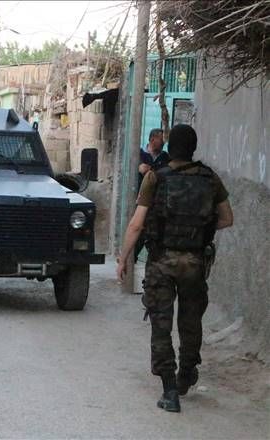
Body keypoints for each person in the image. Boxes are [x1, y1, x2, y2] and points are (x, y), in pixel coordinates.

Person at [117, 124, 234, 413]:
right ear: (193, 148)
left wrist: (123, 258)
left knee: (161, 324)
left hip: (161, 263)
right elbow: (227, 219)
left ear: (170, 148)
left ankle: (170, 391)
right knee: (191, 322)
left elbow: (137, 224)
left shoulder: (156, 177)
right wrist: (200, 228)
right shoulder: (210, 178)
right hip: (194, 262)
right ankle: (186, 375)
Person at [135, 129, 171, 262]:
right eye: (161, 140)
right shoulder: (139, 154)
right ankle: (129, 259)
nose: (163, 143)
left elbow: (166, 175)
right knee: (138, 229)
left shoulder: (165, 158)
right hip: (141, 200)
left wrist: (150, 170)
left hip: (158, 201)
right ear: (152, 140)